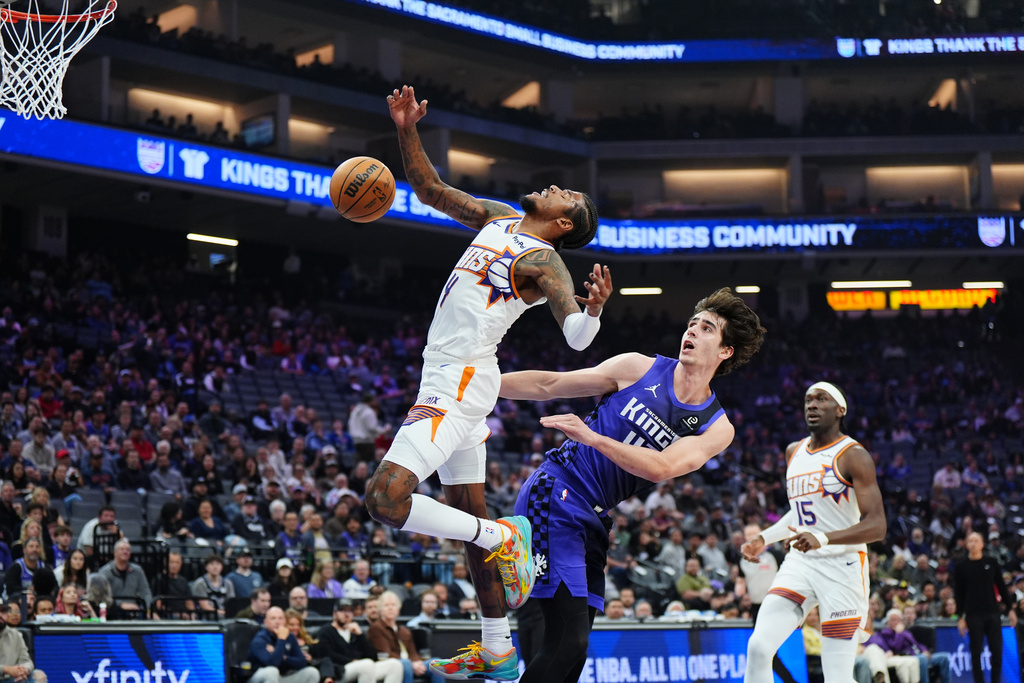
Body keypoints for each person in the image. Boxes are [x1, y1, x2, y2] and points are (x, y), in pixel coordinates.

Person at [365, 84, 610, 680]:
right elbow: (429, 189)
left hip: (461, 381)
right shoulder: (500, 218)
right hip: (462, 381)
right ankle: (499, 649)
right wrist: (405, 128)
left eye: (566, 194)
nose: (556, 186)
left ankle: (504, 533)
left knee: (385, 499)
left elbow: (574, 336)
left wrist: (594, 311)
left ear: (562, 221)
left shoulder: (545, 260)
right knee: (463, 508)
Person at [433, 288, 763, 681]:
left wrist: (593, 437)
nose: (692, 331)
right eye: (692, 323)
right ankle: (510, 545)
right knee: (567, 641)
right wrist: (475, 385)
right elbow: (549, 386)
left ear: (725, 351)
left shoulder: (716, 426)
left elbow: (661, 467)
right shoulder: (639, 368)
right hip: (556, 491)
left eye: (707, 328)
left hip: (593, 518)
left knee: (574, 654)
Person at [742, 382, 887, 683]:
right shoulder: (793, 452)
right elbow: (800, 512)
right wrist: (764, 538)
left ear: (840, 410)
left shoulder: (853, 455)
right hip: (801, 563)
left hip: (843, 566)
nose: (812, 405)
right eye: (808, 400)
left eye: (822, 399)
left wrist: (822, 537)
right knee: (758, 646)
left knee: (837, 676)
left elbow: (877, 525)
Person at [954, 531, 1017, 683]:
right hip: (973, 615)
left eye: (976, 540)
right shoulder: (961, 566)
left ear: (982, 544)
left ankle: (996, 681)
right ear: (966, 545)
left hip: (992, 613)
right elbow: (958, 594)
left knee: (997, 650)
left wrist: (1010, 609)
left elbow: (1002, 587)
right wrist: (960, 617)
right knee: (976, 652)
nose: (973, 543)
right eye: (970, 541)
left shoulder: (991, 562)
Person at [313, 598, 403, 683]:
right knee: (366, 664)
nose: (346, 614)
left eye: (349, 611)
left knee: (395, 665)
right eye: (342, 610)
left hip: (364, 668)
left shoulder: (355, 632)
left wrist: (360, 636)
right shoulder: (326, 631)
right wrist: (352, 661)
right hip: (339, 670)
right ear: (334, 613)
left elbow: (372, 656)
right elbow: (326, 655)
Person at [249, 606, 320, 683]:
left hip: (283, 677)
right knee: (272, 671)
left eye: (280, 618)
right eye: (273, 618)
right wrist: (281, 639)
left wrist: (284, 657)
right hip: (260, 677)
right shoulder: (260, 639)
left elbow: (302, 662)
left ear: (285, 621)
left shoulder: (290, 636)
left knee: (312, 672)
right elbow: (272, 663)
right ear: (265, 622)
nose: (277, 622)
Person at [368, 591, 427, 682]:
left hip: (409, 662)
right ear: (380, 610)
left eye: (393, 605)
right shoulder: (376, 628)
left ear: (398, 609)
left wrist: (417, 662)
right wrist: (411, 663)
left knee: (435, 664)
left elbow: (413, 652)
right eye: (386, 605)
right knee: (406, 664)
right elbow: (386, 653)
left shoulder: (405, 631)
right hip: (391, 664)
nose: (390, 608)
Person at [97, 538, 152, 616]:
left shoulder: (137, 570)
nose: (125, 552)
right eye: (122, 549)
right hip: (111, 612)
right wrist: (120, 605)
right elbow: (102, 596)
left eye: (128, 550)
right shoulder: (104, 572)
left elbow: (145, 591)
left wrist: (149, 609)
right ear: (114, 552)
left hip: (134, 611)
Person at [0, 601, 46, 683]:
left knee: (39, 676)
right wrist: (6, 669)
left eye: (3, 611)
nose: (0, 615)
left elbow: (26, 661)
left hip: (11, 679)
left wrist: (24, 670)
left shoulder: (16, 635)